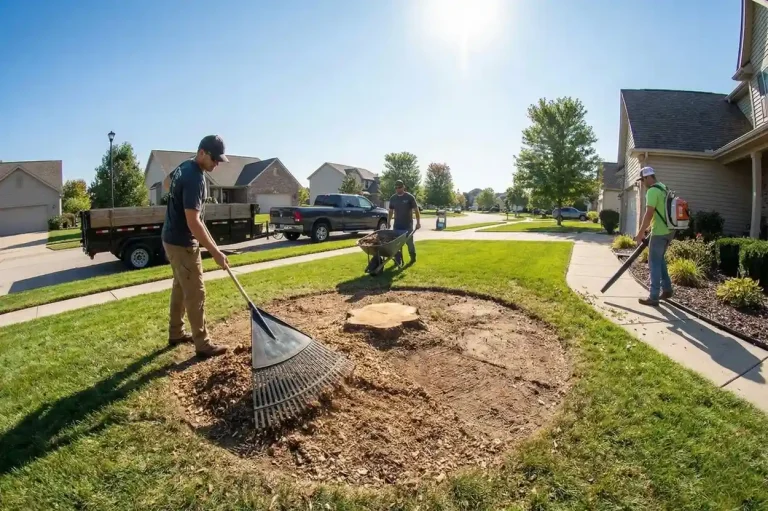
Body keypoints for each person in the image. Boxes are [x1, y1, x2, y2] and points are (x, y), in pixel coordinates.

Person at [162, 135, 231, 357]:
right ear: (202, 153)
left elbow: (166, 184)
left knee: (181, 287)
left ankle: (176, 333)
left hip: (170, 238)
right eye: (214, 159)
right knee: (196, 293)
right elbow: (193, 222)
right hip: (182, 243)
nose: (216, 164)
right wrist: (216, 253)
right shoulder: (195, 177)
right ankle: (202, 344)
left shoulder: (184, 166)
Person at [634, 166, 673, 306]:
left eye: (643, 180)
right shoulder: (664, 187)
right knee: (660, 260)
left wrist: (639, 233)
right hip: (669, 231)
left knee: (654, 263)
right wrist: (648, 227)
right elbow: (660, 213)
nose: (642, 183)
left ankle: (653, 296)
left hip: (660, 232)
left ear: (647, 178)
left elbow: (649, 213)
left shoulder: (652, 191)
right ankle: (667, 289)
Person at [387, 180, 421, 264]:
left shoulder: (409, 197)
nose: (398, 189)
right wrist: (388, 222)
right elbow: (390, 211)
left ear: (403, 187)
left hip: (407, 225)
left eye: (399, 187)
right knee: (396, 245)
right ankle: (398, 260)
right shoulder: (393, 198)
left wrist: (418, 222)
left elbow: (416, 210)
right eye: (396, 188)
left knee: (409, 243)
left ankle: (413, 258)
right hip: (397, 225)